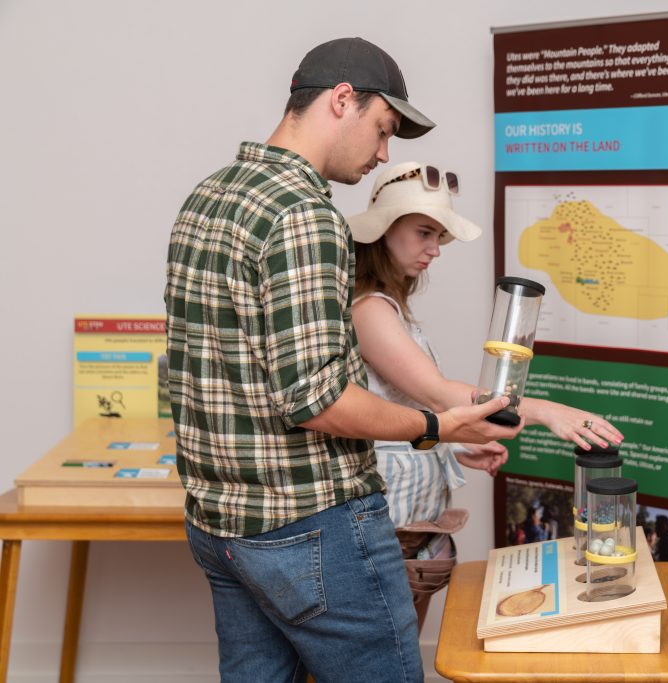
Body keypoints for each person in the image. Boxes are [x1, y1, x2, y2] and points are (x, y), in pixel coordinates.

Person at [165, 38, 522, 683]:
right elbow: (318, 401)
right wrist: (438, 427)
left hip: (220, 525)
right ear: (341, 101)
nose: (384, 154)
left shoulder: (208, 196)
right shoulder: (305, 213)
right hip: (309, 526)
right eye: (383, 130)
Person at [345, 161, 623, 626]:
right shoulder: (370, 310)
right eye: (423, 233)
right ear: (382, 230)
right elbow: (436, 394)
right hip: (384, 530)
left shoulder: (389, 307)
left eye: (440, 237)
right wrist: (545, 411)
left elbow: (398, 416)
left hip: (406, 528)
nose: (434, 249)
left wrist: (452, 447)